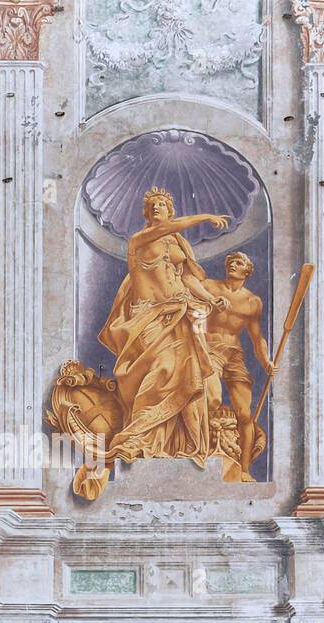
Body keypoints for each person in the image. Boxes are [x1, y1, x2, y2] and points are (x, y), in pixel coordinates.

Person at [95, 186, 231, 469]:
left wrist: (210, 299)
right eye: (152, 205)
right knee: (163, 369)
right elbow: (173, 228)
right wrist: (206, 216)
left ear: (171, 210)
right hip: (148, 315)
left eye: (162, 204)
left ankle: (178, 443)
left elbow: (186, 278)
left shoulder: (179, 243)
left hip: (181, 311)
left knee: (190, 376)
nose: (156, 207)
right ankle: (138, 437)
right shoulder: (139, 239)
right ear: (147, 213)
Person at [202, 251, 273, 481]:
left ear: (248, 270)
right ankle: (201, 454)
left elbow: (256, 337)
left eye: (239, 262)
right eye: (231, 261)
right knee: (212, 399)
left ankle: (243, 471)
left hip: (234, 355)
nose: (233, 264)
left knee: (244, 414)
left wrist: (266, 362)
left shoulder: (253, 302)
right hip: (209, 350)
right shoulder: (210, 286)